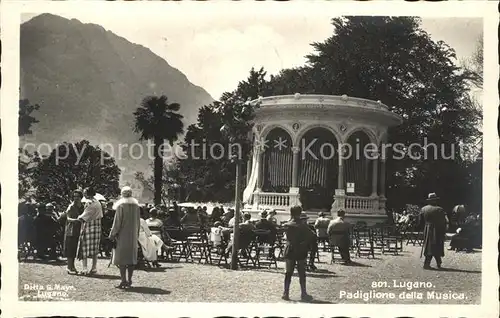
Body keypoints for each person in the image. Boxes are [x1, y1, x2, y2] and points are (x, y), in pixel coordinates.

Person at [109, 186, 141, 289]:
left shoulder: (121, 206)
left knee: (122, 259)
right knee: (131, 258)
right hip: (133, 235)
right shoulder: (136, 206)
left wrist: (112, 234)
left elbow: (117, 222)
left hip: (122, 234)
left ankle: (123, 280)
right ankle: (130, 279)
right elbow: (138, 222)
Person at [282, 205, 315, 301]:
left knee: (288, 273)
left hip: (290, 249)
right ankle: (303, 294)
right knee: (301, 273)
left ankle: (286, 293)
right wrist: (305, 242)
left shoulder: (287, 224)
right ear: (300, 213)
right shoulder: (303, 225)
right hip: (301, 250)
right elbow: (312, 236)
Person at [77, 187, 103, 275]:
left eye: (84, 193)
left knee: (84, 247)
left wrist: (78, 217)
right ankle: (94, 268)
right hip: (97, 226)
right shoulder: (98, 202)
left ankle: (84, 269)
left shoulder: (89, 203)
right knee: (95, 248)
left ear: (88, 194)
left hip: (89, 226)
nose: (83, 194)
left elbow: (84, 216)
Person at [419, 193, 448, 270]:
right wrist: (444, 231)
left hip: (427, 229)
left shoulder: (423, 209)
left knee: (429, 246)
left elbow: (420, 222)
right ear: (435, 200)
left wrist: (423, 228)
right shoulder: (439, 209)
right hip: (437, 229)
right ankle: (432, 263)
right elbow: (443, 222)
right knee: (436, 246)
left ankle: (433, 263)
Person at [59, 189, 85, 274]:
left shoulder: (82, 206)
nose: (75, 198)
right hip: (71, 229)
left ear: (81, 197)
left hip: (79, 229)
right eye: (74, 196)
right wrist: (76, 220)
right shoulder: (71, 206)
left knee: (75, 249)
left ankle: (72, 267)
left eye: (77, 196)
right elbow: (68, 218)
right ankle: (69, 267)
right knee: (70, 248)